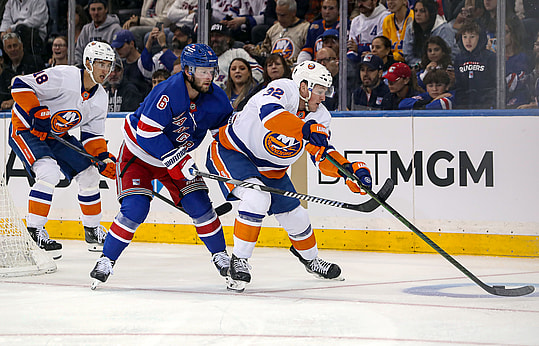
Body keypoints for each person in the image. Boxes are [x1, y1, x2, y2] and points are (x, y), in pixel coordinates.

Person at [205, 61, 373, 291]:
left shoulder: (320, 116)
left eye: (325, 91)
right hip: (234, 152)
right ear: (304, 86)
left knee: (297, 216)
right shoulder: (284, 88)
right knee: (257, 199)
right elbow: (270, 116)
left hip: (272, 169)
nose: (323, 97)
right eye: (320, 91)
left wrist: (349, 171)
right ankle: (239, 261)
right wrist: (304, 129)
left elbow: (321, 154)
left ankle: (311, 260)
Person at [89, 43, 234, 286]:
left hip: (175, 158)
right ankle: (106, 260)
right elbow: (147, 133)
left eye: (211, 71)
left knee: (200, 206)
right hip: (139, 155)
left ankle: (220, 255)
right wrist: (179, 159)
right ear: (187, 70)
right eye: (202, 71)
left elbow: (226, 136)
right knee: (135, 209)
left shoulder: (217, 99)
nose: (209, 77)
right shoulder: (168, 92)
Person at [7, 41, 117, 260]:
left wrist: (102, 157)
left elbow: (92, 137)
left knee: (89, 173)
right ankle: (35, 231)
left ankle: (93, 231)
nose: (106, 70)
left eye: (109, 65)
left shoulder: (101, 97)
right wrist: (36, 111)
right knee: (48, 171)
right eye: (101, 64)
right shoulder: (64, 76)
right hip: (26, 128)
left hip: (56, 134)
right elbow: (19, 84)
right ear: (88, 63)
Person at [243, 0, 310, 66]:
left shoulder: (306, 29)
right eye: (277, 14)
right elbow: (265, 51)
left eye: (283, 15)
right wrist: (254, 50)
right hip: (273, 68)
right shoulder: (274, 29)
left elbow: (306, 55)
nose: (279, 19)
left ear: (293, 13)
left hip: (293, 68)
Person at [454, 21, 496, 109]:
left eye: (472, 37)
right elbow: (458, 86)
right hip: (464, 106)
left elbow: (494, 84)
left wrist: (489, 103)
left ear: (480, 38)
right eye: (464, 37)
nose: (468, 41)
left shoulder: (490, 57)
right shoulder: (459, 58)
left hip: (485, 105)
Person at [402, 0, 457, 66]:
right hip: (419, 66)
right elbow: (408, 55)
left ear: (431, 12)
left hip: (443, 66)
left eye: (422, 11)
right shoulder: (410, 28)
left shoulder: (443, 29)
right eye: (416, 11)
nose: (417, 14)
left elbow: (449, 54)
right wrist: (421, 65)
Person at [209, 23, 263, 90]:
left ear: (228, 39)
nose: (214, 39)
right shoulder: (205, 59)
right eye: (212, 36)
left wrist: (245, 90)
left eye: (218, 36)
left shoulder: (238, 53)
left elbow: (258, 71)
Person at [1, 33, 45, 110]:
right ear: (5, 50)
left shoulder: (35, 63)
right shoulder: (6, 71)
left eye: (15, 45)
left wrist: (14, 101)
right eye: (9, 47)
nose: (13, 49)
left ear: (21, 46)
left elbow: (41, 90)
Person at [74, 0, 122, 66]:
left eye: (99, 9)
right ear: (89, 11)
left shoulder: (115, 29)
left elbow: (118, 55)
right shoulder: (86, 29)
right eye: (93, 9)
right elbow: (78, 52)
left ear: (106, 9)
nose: (96, 13)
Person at [111, 29, 152, 99]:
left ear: (131, 44)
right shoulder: (121, 66)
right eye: (116, 48)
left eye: (120, 47)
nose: (118, 50)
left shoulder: (143, 64)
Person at [504, 17, 533, 107]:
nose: (501, 36)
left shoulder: (523, 58)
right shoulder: (493, 58)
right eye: (498, 32)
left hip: (519, 106)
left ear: (514, 34)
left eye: (505, 32)